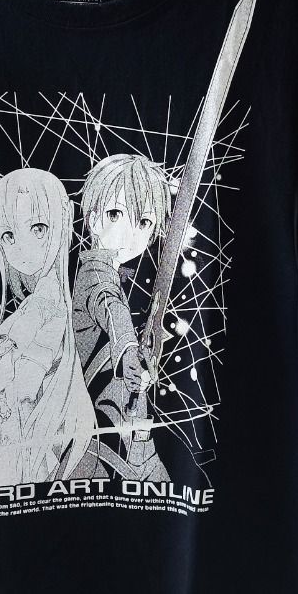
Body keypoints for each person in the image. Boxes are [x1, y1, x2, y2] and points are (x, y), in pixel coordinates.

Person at [0, 167, 96, 487]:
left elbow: (23, 379)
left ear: (61, 224)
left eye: (38, 228)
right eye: (9, 236)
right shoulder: (38, 303)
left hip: (36, 443)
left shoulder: (49, 305)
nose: (21, 247)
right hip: (25, 436)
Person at [73, 153, 172, 482]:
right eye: (115, 214)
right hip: (99, 436)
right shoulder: (95, 275)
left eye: (143, 222)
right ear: (93, 218)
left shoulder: (111, 274)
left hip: (124, 431)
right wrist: (129, 352)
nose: (129, 232)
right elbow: (110, 307)